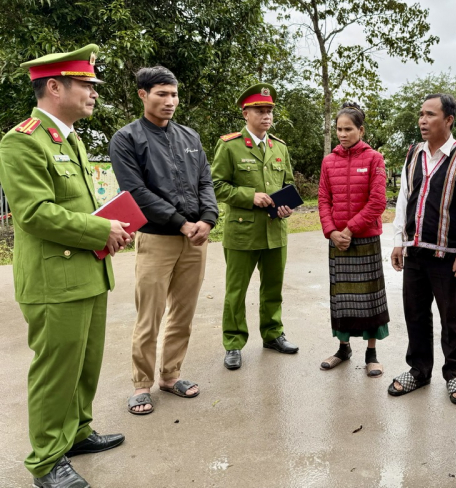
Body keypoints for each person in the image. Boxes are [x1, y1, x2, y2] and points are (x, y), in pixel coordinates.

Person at [0, 45, 130, 488]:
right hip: (54, 279)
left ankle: (76, 433)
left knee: (85, 364)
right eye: (87, 85)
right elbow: (34, 212)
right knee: (56, 370)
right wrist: (100, 232)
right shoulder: (22, 139)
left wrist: (111, 227)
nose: (94, 92)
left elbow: (79, 205)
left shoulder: (70, 137)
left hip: (87, 273)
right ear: (55, 87)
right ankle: (45, 460)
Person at [109, 66, 218, 415]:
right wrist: (180, 223)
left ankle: (171, 376)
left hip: (195, 241)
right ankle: (142, 385)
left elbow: (205, 182)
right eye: (161, 94)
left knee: (182, 314)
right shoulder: (127, 139)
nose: (170, 101)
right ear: (143, 95)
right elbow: (135, 192)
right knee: (149, 316)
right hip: (156, 239)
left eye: (173, 94)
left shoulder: (190, 137)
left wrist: (207, 219)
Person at [389, 93, 456, 404]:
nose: (422, 121)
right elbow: (404, 199)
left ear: (449, 120)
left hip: (448, 255)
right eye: (421, 115)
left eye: (430, 115)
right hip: (415, 250)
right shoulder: (413, 154)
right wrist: (398, 241)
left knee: (451, 317)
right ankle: (418, 371)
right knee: (415, 314)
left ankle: (454, 374)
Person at [211, 83, 298, 371]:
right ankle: (233, 343)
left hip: (275, 231)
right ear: (245, 113)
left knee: (273, 288)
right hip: (242, 232)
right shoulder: (229, 145)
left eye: (270, 110)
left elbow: (288, 184)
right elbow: (216, 186)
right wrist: (250, 196)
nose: (267, 115)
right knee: (236, 291)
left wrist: (286, 204)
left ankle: (273, 334)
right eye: (260, 110)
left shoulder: (279, 147)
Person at [317, 102, 389, 376]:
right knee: (342, 297)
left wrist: (349, 230)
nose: (343, 134)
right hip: (337, 241)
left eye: (348, 129)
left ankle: (372, 353)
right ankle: (343, 348)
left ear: (361, 130)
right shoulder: (328, 161)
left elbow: (378, 202)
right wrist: (332, 232)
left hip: (364, 238)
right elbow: (323, 199)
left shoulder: (374, 159)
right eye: (339, 129)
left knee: (370, 298)